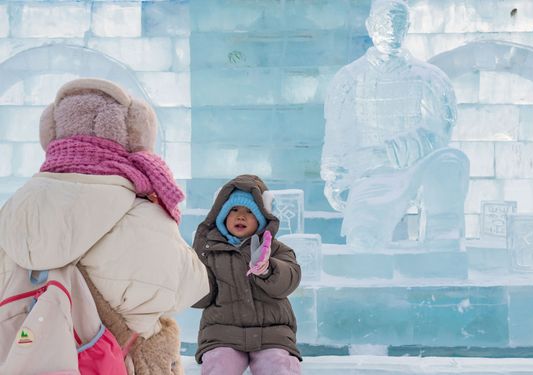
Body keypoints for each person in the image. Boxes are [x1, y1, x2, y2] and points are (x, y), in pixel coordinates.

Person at [0, 78, 209, 373]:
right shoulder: (140, 210)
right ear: (134, 133)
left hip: (26, 355)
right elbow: (188, 286)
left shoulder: (14, 208)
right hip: (121, 360)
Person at [321, 0, 467, 249]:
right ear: (370, 26)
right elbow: (337, 134)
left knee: (452, 160)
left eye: (397, 22)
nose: (390, 30)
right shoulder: (349, 79)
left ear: (407, 26)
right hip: (374, 177)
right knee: (365, 241)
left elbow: (438, 133)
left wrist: (386, 152)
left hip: (419, 170)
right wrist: (333, 175)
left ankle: (442, 235)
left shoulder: (430, 78)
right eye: (382, 22)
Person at [192, 174, 302, 375]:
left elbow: (289, 281)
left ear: (262, 219)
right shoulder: (209, 253)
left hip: (272, 333)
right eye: (234, 210)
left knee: (278, 366)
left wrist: (267, 268)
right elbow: (201, 297)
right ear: (222, 216)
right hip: (222, 333)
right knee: (219, 365)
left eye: (249, 211)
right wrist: (189, 277)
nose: (240, 216)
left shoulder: (278, 250)